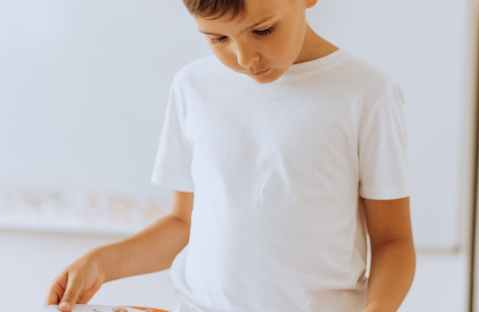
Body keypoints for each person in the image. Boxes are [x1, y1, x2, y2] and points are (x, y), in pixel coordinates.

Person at [48, 0, 415, 311]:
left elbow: (392, 242)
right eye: (218, 38)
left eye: (263, 31)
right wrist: (102, 263)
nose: (245, 58)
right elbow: (183, 223)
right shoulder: (193, 88)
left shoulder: (366, 94)